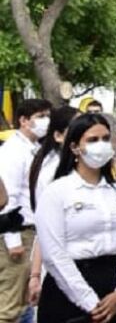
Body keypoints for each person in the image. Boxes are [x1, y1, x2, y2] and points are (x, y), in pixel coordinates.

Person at [35, 113, 116, 323]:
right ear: (75, 147)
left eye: (105, 138)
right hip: (69, 290)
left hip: (112, 289)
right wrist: (90, 302)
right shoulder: (57, 192)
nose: (101, 145)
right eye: (92, 140)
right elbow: (54, 255)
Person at [0, 98, 51, 323]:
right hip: (18, 233)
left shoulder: (35, 148)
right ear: (23, 120)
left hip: (32, 232)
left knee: (25, 302)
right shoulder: (13, 151)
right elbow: (6, 198)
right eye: (40, 116)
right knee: (10, 306)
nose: (46, 121)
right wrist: (13, 241)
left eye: (47, 116)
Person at [26, 106, 78, 310]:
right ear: (58, 135)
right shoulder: (51, 172)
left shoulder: (78, 167)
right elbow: (45, 227)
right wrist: (36, 274)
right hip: (60, 263)